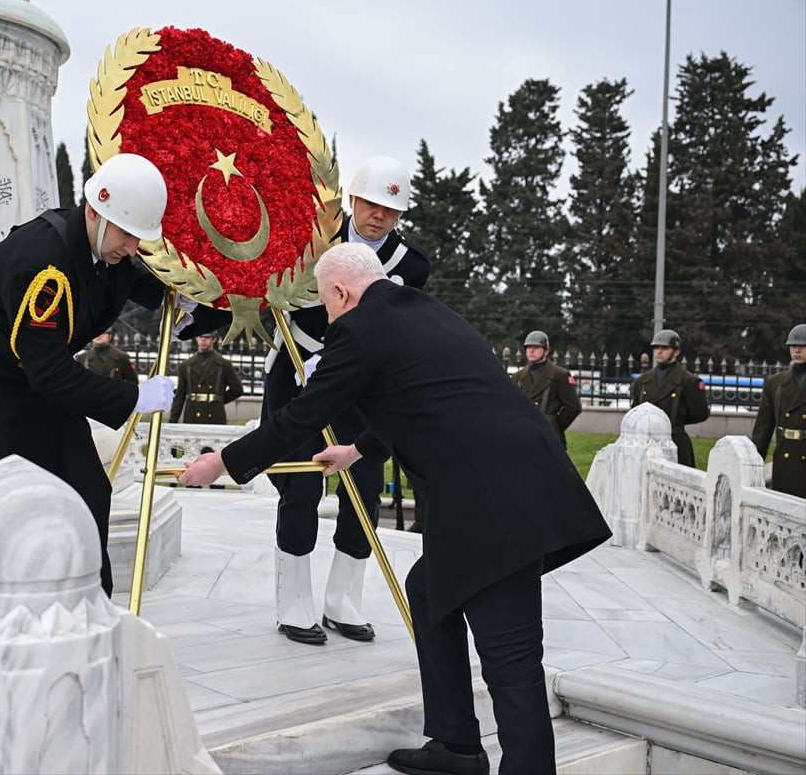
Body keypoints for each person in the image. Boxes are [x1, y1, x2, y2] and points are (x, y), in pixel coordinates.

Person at [178, 243, 610, 775]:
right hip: (516, 483)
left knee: (511, 657)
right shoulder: (425, 312)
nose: (328, 315)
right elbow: (419, 396)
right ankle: (455, 744)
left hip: (496, 506)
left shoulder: (359, 330)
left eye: (326, 300)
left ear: (340, 291)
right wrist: (357, 450)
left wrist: (220, 462)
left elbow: (298, 417)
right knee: (429, 591)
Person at [0, 153, 204, 597]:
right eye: (128, 236)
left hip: (31, 375)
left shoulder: (104, 248)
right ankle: (17, 611)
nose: (133, 249)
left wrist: (196, 301)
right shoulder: (42, 264)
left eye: (139, 239)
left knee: (87, 486)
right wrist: (133, 397)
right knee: (14, 503)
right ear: (95, 211)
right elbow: (52, 373)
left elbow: (137, 284)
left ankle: (89, 605)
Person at [262, 155, 431, 645]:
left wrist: (349, 361)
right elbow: (276, 294)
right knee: (302, 489)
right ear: (353, 199)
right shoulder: (310, 237)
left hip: (362, 383)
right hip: (298, 372)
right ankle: (293, 605)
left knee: (362, 490)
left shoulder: (412, 264)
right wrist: (314, 356)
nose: (379, 215)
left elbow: (396, 325)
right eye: (372, 203)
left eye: (390, 209)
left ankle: (343, 601)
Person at [630, 329, 710, 467]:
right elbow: (635, 410)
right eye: (656, 347)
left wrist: (677, 420)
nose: (658, 351)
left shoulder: (689, 381)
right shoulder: (642, 381)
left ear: (676, 352)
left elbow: (700, 413)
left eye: (664, 348)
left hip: (675, 442)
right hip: (646, 444)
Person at [750, 324, 806, 498]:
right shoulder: (775, 383)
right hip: (784, 462)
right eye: (793, 346)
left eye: (802, 346)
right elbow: (763, 430)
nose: (797, 350)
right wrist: (752, 466)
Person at [511, 330, 581, 449]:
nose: (531, 350)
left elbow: (573, 407)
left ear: (546, 351)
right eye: (528, 347)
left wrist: (553, 424)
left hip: (548, 436)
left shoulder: (560, 375)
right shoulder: (518, 376)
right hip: (522, 433)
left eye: (536, 347)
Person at [169, 330, 243, 423]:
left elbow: (237, 389)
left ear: (214, 339)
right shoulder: (186, 366)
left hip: (214, 414)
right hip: (192, 414)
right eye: (200, 337)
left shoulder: (224, 364)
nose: (203, 340)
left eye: (207, 337)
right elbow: (180, 396)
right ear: (196, 338)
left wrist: (218, 400)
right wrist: (173, 422)